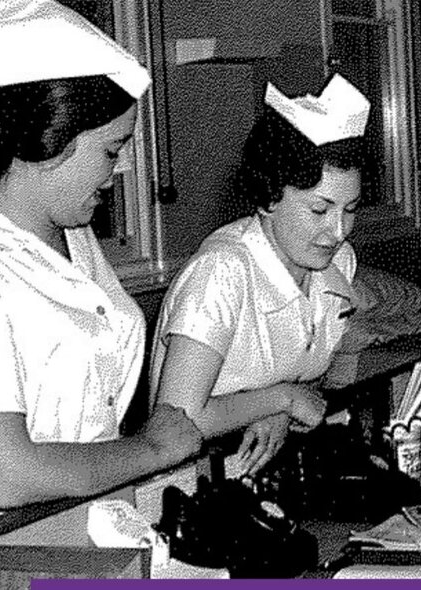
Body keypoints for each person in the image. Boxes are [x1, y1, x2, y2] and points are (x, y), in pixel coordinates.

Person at [0, 0, 203, 543]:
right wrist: (151, 448)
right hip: (0, 547)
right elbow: (5, 473)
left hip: (90, 524)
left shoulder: (75, 238)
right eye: (110, 150)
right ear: (51, 139)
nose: (118, 171)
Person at [148, 74, 370, 477]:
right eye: (320, 210)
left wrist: (281, 408)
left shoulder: (338, 263)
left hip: (275, 471)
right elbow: (178, 420)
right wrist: (282, 399)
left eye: (350, 209)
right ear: (268, 196)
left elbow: (309, 374)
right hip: (196, 483)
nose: (338, 231)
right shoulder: (220, 273)